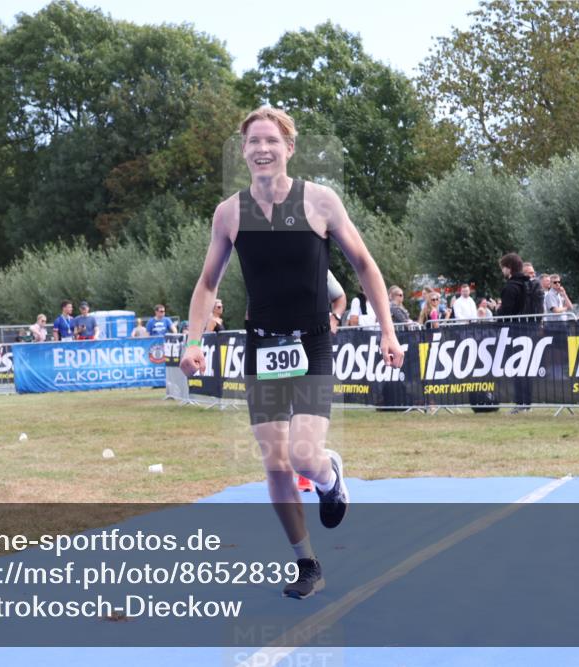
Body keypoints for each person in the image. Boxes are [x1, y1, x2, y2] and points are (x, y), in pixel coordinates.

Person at [179, 106, 403, 600]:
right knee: (276, 465)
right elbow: (207, 283)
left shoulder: (321, 202)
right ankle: (308, 563)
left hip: (311, 343)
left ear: (289, 149)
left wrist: (388, 331)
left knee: (304, 456)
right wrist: (193, 342)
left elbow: (365, 265)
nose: (262, 149)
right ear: (244, 151)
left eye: (271, 141)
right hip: (261, 345)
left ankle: (329, 475)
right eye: (253, 141)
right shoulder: (229, 213)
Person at [497, 253, 534, 411]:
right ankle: (526, 402)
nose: (502, 271)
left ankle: (521, 403)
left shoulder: (511, 287)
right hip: (528, 330)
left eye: (503, 268)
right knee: (526, 367)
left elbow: (506, 313)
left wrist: (497, 313)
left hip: (514, 332)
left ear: (509, 268)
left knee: (517, 368)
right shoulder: (528, 284)